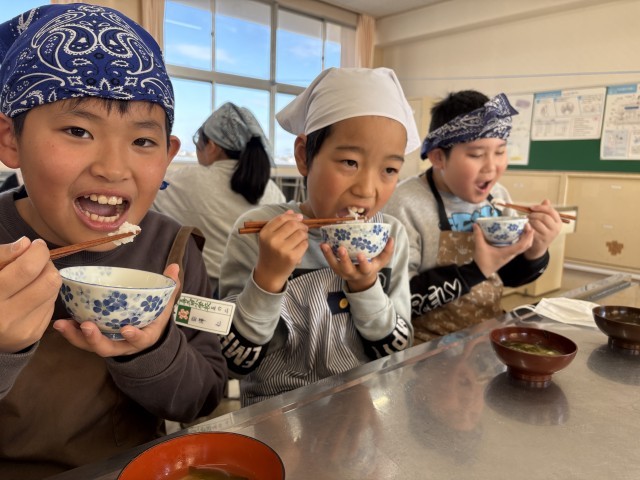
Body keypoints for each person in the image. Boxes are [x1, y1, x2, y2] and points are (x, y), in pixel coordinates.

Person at [0, 4, 227, 478]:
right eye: (78, 130)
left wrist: (150, 349)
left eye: (142, 141)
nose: (113, 168)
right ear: (10, 139)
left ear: (168, 155)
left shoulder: (175, 250)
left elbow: (203, 398)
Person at [218, 67, 419, 406]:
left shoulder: (389, 236)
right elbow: (232, 362)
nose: (367, 189)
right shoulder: (260, 231)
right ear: (303, 156)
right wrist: (267, 279)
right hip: (274, 413)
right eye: (350, 162)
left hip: (363, 408)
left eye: (389, 170)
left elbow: (398, 349)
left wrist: (365, 287)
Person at [385, 90, 563, 344]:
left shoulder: (497, 196)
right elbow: (397, 300)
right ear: (438, 157)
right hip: (425, 347)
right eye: (476, 155)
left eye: (500, 152)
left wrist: (536, 251)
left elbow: (508, 277)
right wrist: (476, 269)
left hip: (487, 337)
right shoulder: (404, 204)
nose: (491, 167)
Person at [153, 102, 285, 296]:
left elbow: (147, 198)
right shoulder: (272, 191)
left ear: (212, 146)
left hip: (199, 293)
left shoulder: (186, 180)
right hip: (256, 291)